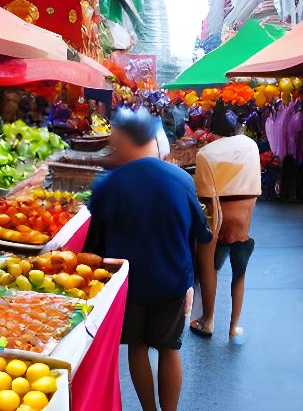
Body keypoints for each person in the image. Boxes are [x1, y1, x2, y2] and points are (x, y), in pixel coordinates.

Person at [85, 107, 212, 411]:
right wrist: (192, 281)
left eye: (115, 142)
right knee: (169, 349)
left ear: (127, 142)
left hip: (129, 285)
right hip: (171, 280)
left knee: (137, 349)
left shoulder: (108, 185)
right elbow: (201, 233)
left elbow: (93, 248)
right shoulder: (180, 179)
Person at [189, 101, 261, 341]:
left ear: (212, 129)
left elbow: (201, 193)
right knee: (239, 272)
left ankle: (208, 320)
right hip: (243, 222)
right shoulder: (250, 145)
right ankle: (234, 326)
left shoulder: (205, 154)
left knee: (207, 267)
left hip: (215, 217)